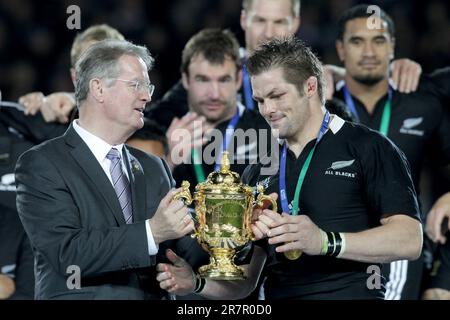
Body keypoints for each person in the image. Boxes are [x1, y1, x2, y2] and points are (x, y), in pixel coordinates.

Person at [155, 37, 423, 300]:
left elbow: (410, 239)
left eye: (277, 96)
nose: (268, 109)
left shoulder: (369, 147)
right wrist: (196, 283)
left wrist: (324, 241)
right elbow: (246, 283)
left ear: (309, 87)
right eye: (259, 100)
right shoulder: (259, 168)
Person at [15, 39, 194, 299]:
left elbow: (180, 248)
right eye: (136, 85)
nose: (147, 96)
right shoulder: (41, 164)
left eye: (148, 86)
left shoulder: (153, 166)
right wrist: (151, 232)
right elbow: (68, 254)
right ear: (98, 88)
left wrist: (234, 230)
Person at [146, 0, 422, 129]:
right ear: (244, 20)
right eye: (260, 21)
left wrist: (393, 70)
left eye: (279, 22)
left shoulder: (316, 80)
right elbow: (153, 120)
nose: (268, 32)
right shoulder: (217, 76)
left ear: (296, 24)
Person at [333, 4, 450, 300]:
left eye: (379, 40)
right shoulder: (321, 102)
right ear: (340, 49)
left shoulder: (422, 101)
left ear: (393, 47)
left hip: (400, 234)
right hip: (333, 236)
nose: (369, 52)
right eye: (357, 41)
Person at [170, 28, 272, 187]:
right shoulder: (166, 131)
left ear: (238, 79)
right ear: (185, 80)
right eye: (203, 80)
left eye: (223, 80)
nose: (214, 94)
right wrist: (169, 160)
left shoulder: (268, 131)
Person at [0, 25, 125, 145]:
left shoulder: (139, 124)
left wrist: (73, 99)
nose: (99, 74)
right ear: (75, 76)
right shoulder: (48, 125)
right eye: (89, 65)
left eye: (108, 65)